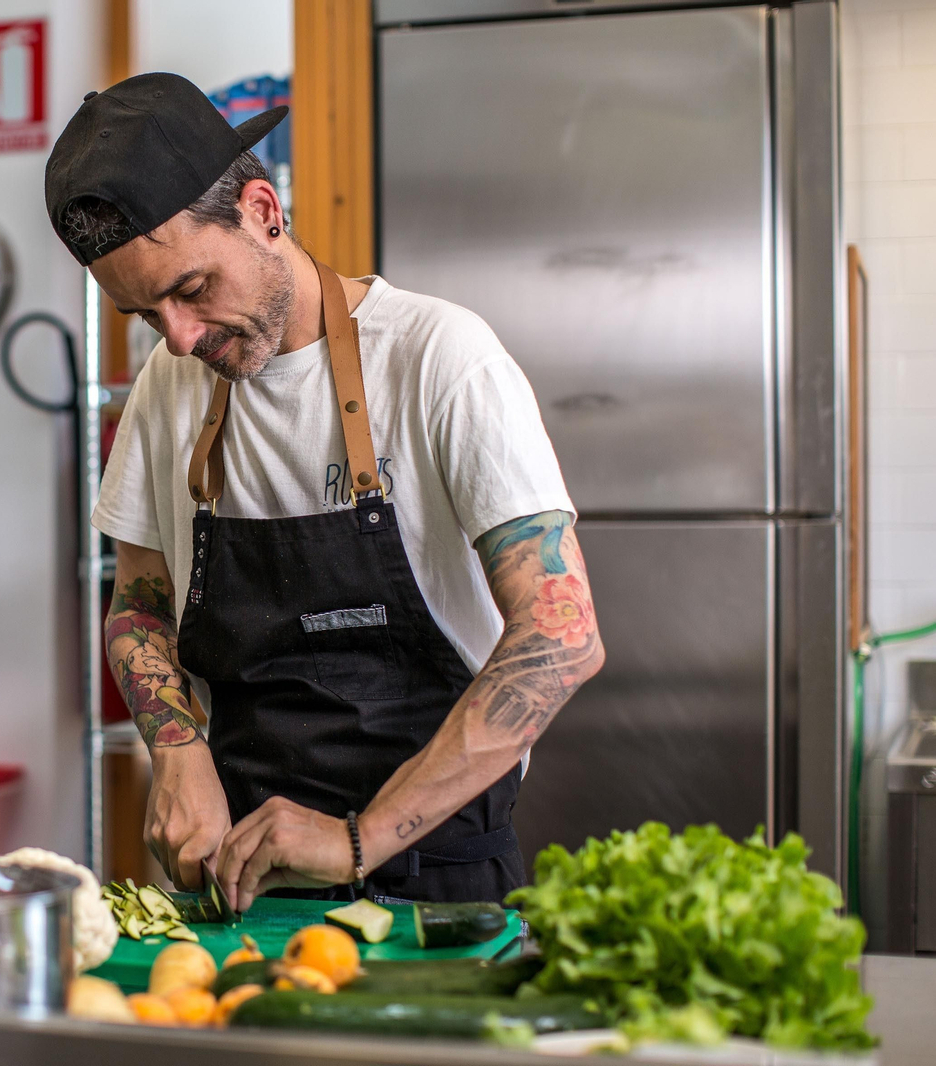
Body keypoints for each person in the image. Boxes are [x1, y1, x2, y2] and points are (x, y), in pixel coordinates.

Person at [44, 72, 604, 910]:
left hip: (437, 885)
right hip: (246, 883)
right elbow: (137, 610)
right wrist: (177, 748)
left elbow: (561, 635)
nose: (182, 338)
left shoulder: (438, 358)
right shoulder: (171, 383)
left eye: (191, 290)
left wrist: (356, 841)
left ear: (264, 213)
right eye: (146, 316)